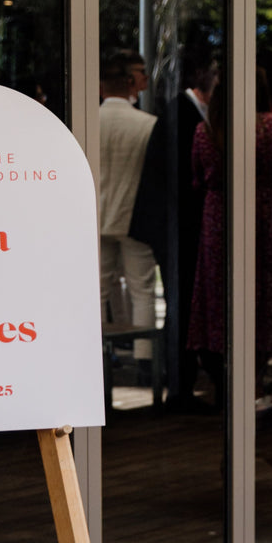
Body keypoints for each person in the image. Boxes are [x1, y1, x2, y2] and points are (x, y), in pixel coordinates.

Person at [188, 67, 272, 405]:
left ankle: (227, 382)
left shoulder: (206, 129)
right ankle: (253, 383)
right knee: (266, 300)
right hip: (270, 217)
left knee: (220, 298)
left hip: (220, 218)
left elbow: (198, 179)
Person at [129, 49, 218, 410]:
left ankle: (183, 382)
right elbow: (180, 181)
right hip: (176, 228)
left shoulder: (183, 113)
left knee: (182, 304)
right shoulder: (181, 115)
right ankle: (179, 387)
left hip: (176, 226)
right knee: (180, 305)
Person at [98, 50, 158, 368]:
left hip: (95, 216)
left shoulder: (85, 122)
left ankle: (94, 358)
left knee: (97, 289)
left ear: (101, 87)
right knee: (142, 290)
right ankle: (145, 360)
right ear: (129, 83)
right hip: (134, 215)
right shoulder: (148, 125)